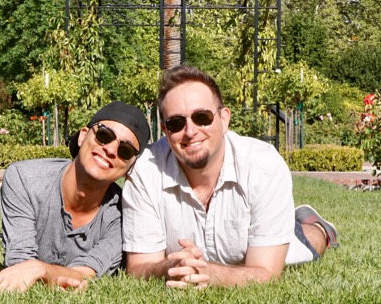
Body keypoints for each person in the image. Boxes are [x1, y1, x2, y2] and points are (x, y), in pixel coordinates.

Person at [122, 65, 338, 289]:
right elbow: (139, 267)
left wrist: (205, 273)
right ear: (165, 131)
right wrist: (168, 268)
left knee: (305, 243)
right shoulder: (145, 172)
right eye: (176, 123)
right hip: (199, 258)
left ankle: (320, 227)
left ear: (224, 119)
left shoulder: (262, 165)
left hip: (268, 243)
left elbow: (266, 273)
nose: (190, 131)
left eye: (201, 117)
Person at [0, 101, 151, 293]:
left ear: (130, 167)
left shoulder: (126, 214)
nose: (110, 150)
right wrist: (36, 269)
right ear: (83, 135)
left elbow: (86, 272)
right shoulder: (24, 179)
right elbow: (20, 266)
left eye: (125, 151)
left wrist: (40, 269)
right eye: (104, 135)